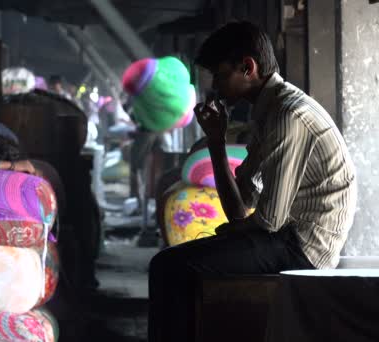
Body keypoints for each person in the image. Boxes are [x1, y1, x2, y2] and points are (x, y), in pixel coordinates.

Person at [148, 21, 357, 341]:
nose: (215, 87)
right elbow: (239, 208)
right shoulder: (268, 112)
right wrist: (216, 144)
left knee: (170, 267)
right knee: (174, 265)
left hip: (304, 248)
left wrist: (231, 232)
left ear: (248, 67)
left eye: (219, 76)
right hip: (283, 238)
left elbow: (269, 220)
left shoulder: (289, 115)